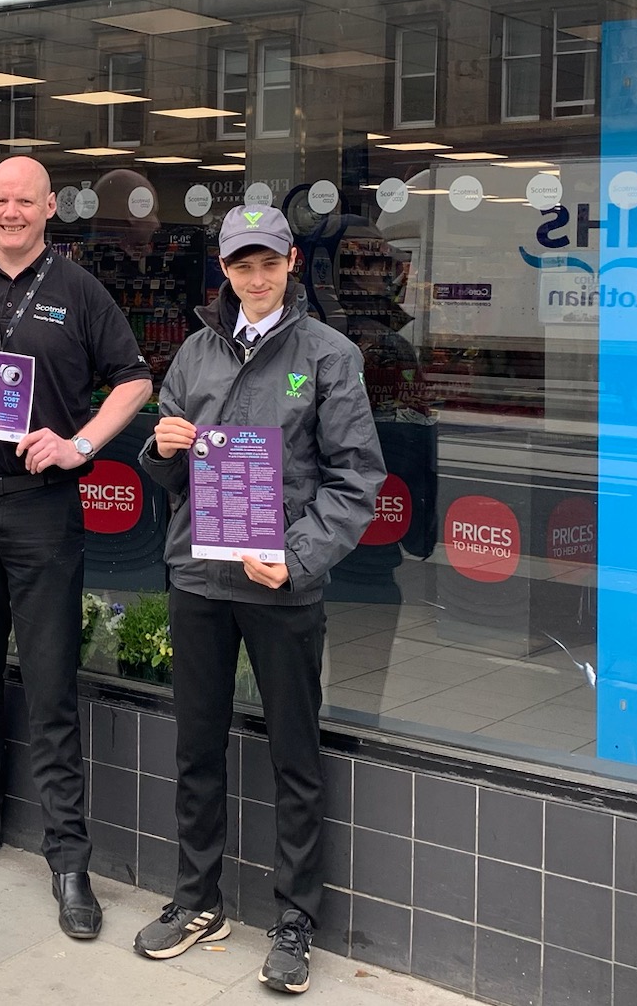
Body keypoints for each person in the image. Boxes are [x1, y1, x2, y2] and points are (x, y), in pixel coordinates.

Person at [133, 204, 383, 994]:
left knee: (293, 756)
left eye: (267, 262)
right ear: (223, 272)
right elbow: (171, 473)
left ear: (290, 264)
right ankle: (197, 899)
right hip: (200, 582)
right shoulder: (193, 356)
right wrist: (158, 447)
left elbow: (356, 481)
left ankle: (294, 918)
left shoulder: (330, 355)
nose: (255, 277)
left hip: (282, 591)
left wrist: (297, 556)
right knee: (195, 749)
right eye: (241, 265)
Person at [0, 156, 153, 941]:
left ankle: (68, 859)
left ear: (51, 207)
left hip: (40, 509)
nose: (11, 211)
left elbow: (135, 380)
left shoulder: (79, 291)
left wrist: (80, 444)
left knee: (49, 687)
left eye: (25, 200)